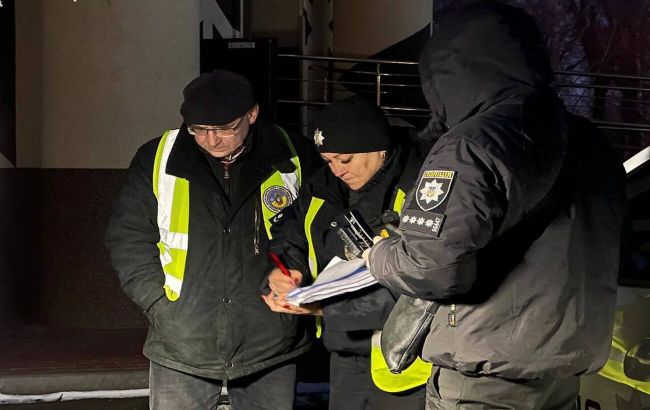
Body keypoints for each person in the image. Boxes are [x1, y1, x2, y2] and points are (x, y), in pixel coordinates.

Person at [365, 2, 628, 409]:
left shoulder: (470, 145)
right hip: (563, 375)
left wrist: (379, 256)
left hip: (484, 381)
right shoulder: (591, 142)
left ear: (448, 74)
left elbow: (432, 268)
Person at [105, 69, 318, 410]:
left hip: (271, 341)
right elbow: (128, 237)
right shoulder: (157, 157)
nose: (211, 140)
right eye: (199, 130)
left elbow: (315, 230)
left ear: (252, 114)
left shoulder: (293, 154)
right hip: (182, 341)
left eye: (224, 129)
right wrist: (158, 305)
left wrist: (295, 276)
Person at [262, 96, 430, 410]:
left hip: (407, 359)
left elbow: (423, 286)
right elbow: (291, 230)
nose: (338, 170)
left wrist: (326, 308)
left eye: (345, 159)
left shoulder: (421, 191)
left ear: (379, 148)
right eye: (328, 160)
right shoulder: (323, 186)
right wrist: (285, 270)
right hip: (344, 353)